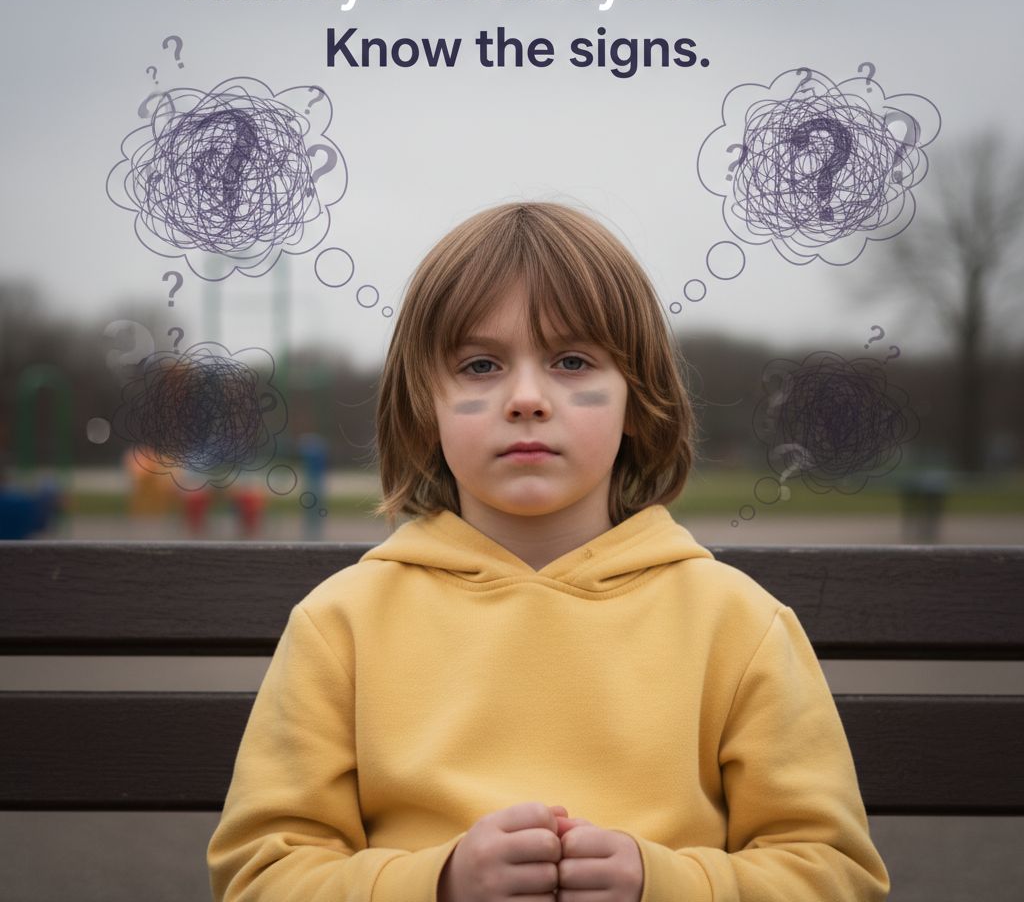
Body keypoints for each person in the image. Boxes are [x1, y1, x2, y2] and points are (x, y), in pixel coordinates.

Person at [207, 201, 890, 901]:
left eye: (572, 361)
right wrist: (436, 886)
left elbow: (834, 871)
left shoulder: (738, 624)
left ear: (638, 400)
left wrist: (663, 885)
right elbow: (262, 875)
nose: (527, 398)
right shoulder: (339, 626)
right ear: (423, 407)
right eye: (480, 365)